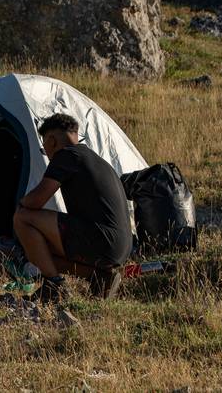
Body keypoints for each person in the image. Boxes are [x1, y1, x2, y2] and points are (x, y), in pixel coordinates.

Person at [12, 114, 132, 303]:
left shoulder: (67, 155)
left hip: (102, 239)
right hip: (122, 248)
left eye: (44, 145)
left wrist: (20, 204)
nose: (46, 151)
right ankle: (100, 276)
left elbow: (36, 201)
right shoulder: (95, 158)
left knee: (23, 218)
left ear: (52, 140)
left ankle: (54, 286)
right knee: (39, 249)